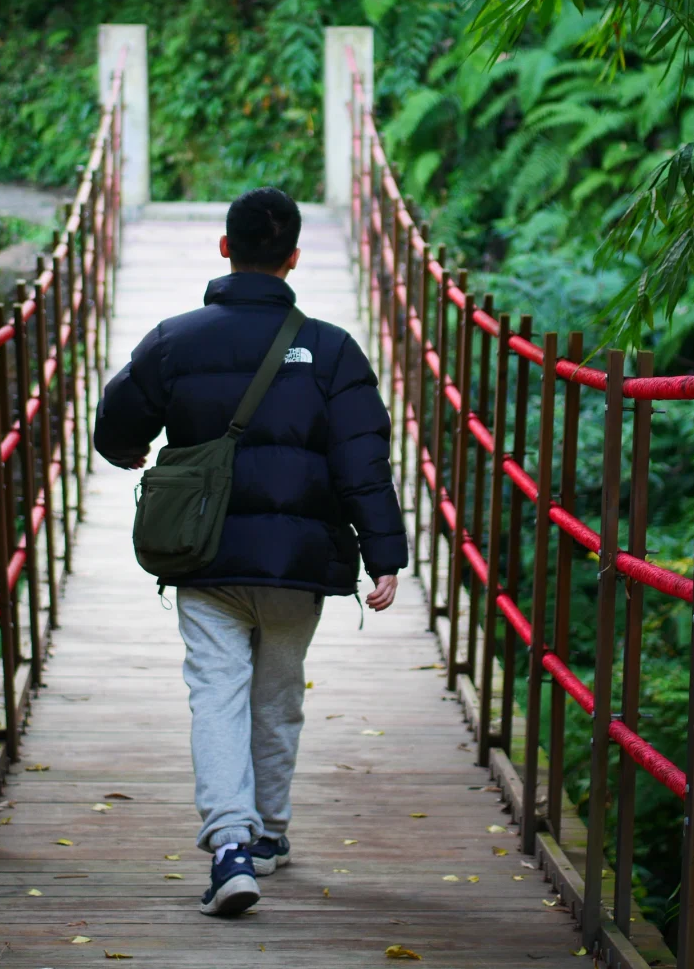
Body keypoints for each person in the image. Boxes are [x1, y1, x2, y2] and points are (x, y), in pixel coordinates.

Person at [93, 186, 408, 917]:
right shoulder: (332, 350)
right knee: (278, 694)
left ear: (225, 249)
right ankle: (268, 833)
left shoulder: (175, 339)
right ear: (294, 257)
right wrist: (383, 554)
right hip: (300, 564)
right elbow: (364, 462)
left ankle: (230, 844)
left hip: (205, 556)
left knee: (216, 691)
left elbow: (116, 424)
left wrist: (136, 448)